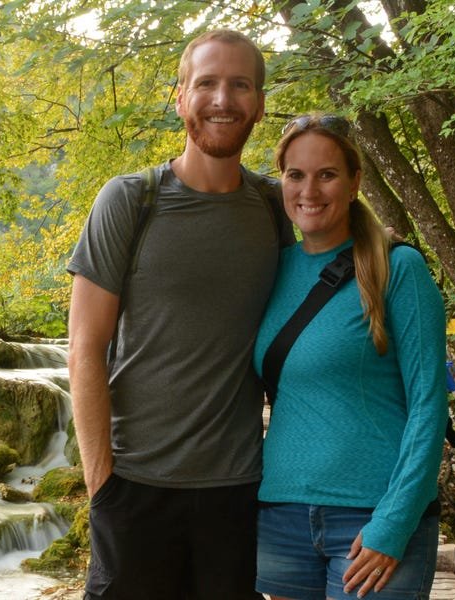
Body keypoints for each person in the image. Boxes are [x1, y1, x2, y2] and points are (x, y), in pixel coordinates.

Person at [66, 29, 290, 600]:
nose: (223, 99)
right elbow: (85, 347)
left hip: (239, 493)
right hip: (134, 489)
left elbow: (346, 243)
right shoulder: (129, 201)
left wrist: (389, 248)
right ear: (181, 98)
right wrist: (102, 485)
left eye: (240, 85)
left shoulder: (276, 207)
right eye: (207, 83)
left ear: (260, 104)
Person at [254, 114, 449, 600]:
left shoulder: (397, 268)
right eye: (295, 175)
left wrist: (394, 523)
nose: (309, 190)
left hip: (372, 514)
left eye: (327, 174)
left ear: (355, 181)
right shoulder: (271, 270)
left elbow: (429, 405)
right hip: (281, 515)